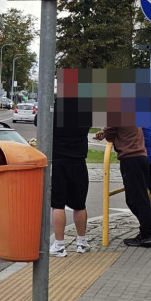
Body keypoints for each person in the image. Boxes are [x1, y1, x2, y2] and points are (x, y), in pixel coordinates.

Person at [95, 126, 151, 248]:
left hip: (130, 157)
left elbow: (111, 132)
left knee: (135, 199)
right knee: (140, 196)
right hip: (141, 156)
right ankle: (146, 232)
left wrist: (106, 134)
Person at [49, 100, 92, 257]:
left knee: (58, 204)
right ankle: (81, 242)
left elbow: (38, 121)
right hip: (79, 160)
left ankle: (60, 245)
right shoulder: (86, 107)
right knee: (79, 204)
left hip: (59, 160)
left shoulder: (56, 106)